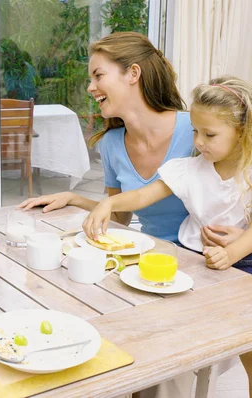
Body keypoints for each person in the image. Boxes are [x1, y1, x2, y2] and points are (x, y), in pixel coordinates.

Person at [83, 75, 252, 390]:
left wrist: (231, 253)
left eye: (209, 134)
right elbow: (145, 195)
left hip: (240, 261)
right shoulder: (190, 169)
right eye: (195, 132)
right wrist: (111, 204)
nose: (198, 142)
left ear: (241, 132)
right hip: (193, 261)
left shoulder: (249, 171)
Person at [19, 32, 192, 244]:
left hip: (207, 259)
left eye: (98, 76)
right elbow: (120, 217)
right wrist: (72, 198)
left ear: (133, 74)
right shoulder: (111, 144)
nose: (90, 87)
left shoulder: (196, 131)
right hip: (154, 257)